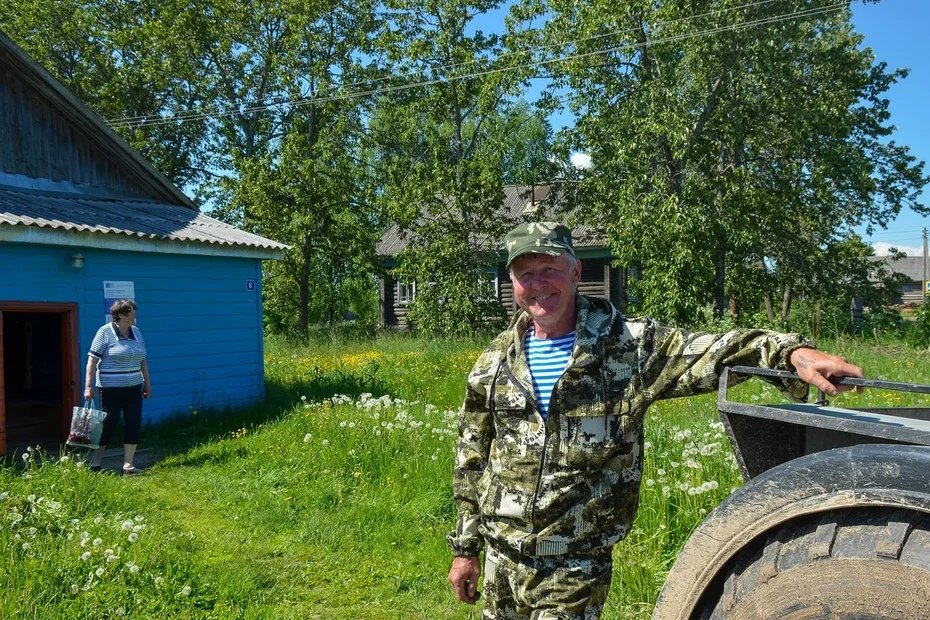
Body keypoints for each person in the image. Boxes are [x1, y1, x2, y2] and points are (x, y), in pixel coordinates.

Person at [446, 222, 864, 619]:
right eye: (526, 274)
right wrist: (466, 549)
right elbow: (472, 458)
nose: (538, 284)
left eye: (549, 269)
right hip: (501, 561)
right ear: (513, 283)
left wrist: (792, 354)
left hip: (571, 567)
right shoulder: (495, 361)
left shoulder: (628, 346)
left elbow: (717, 349)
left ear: (575, 272)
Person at [83, 299, 152, 475]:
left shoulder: (136, 332)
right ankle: (96, 461)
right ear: (120, 315)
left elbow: (143, 359)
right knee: (108, 424)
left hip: (134, 387)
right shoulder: (104, 332)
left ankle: (128, 465)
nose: (135, 316)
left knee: (133, 423)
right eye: (132, 313)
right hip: (110, 389)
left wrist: (147, 383)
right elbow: (92, 361)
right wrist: (88, 386)